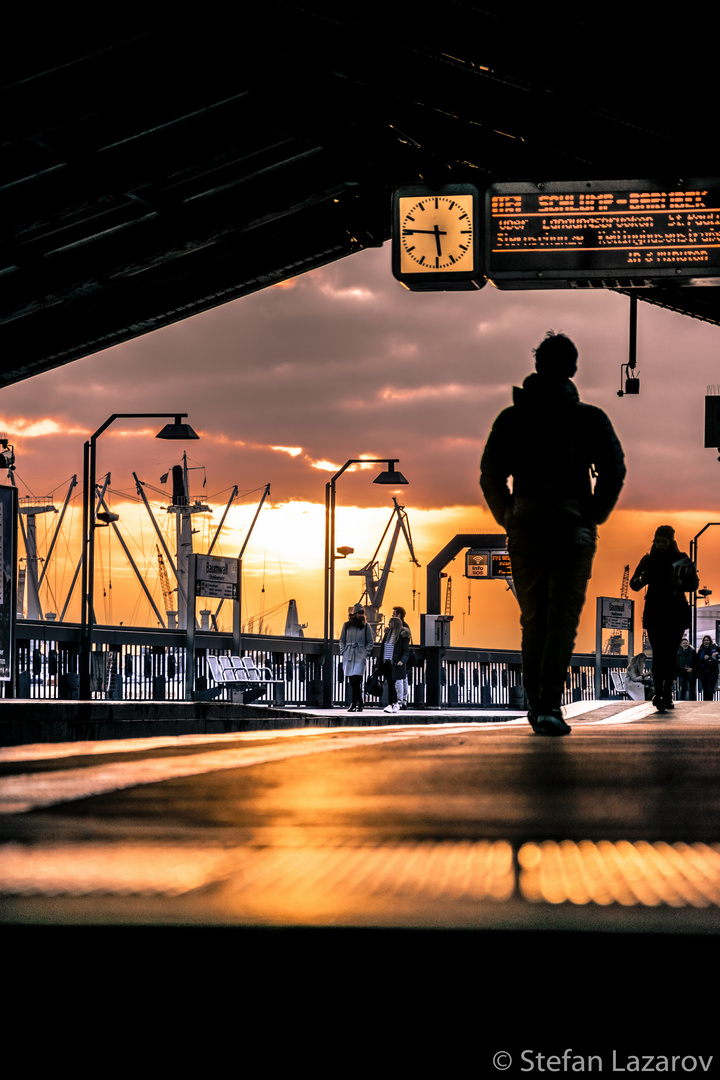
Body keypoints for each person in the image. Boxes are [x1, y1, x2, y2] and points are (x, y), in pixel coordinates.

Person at [480, 331, 626, 736]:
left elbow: (490, 474)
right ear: (573, 369)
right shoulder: (589, 419)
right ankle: (548, 705)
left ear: (537, 366)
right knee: (561, 620)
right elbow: (614, 470)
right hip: (572, 531)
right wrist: (593, 514)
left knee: (534, 620)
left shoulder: (512, 418)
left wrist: (508, 515)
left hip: (525, 529)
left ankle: (535, 703)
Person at [630, 526, 698, 712]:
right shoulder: (648, 560)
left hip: (674, 613)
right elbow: (633, 584)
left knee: (670, 654)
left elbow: (694, 584)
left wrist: (680, 583)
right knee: (660, 654)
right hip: (655, 613)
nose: (660, 545)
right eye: (657, 541)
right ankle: (660, 692)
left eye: (663, 541)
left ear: (670, 542)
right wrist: (643, 580)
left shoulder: (681, 559)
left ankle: (666, 692)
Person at [339, 603, 375, 713]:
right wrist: (343, 651)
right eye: (359, 613)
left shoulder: (366, 626)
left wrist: (365, 652)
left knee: (356, 680)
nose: (361, 615)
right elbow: (342, 640)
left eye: (362, 613)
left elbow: (370, 641)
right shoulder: (346, 625)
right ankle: (360, 702)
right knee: (352, 681)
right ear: (354, 614)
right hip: (349, 654)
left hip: (360, 655)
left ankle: (353, 703)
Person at [380, 616, 411, 714]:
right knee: (390, 683)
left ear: (395, 624)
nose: (389, 624)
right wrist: (380, 662)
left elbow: (406, 651)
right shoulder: (387, 634)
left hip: (395, 663)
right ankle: (396, 703)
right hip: (387, 662)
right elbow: (383, 648)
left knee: (391, 683)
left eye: (391, 622)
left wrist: (402, 661)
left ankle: (390, 704)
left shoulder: (402, 636)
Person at [392, 605, 412, 709]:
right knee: (404, 679)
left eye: (394, 614)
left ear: (398, 615)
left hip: (400, 657)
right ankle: (404, 701)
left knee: (399, 679)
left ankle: (400, 702)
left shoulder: (399, 628)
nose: (392, 615)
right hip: (404, 657)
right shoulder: (406, 626)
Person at [696, 635, 720, 701]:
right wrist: (704, 659)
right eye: (705, 640)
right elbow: (698, 662)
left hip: (713, 672)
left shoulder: (715, 648)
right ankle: (705, 704)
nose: (706, 641)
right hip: (703, 672)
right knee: (705, 690)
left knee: (710, 689)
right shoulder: (700, 650)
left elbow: (716, 661)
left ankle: (710, 703)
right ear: (703, 641)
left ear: (710, 641)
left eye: (707, 640)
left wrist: (711, 657)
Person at [677, 637, 698, 701]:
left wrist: (692, 669)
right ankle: (682, 701)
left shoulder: (692, 652)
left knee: (692, 689)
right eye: (684, 643)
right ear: (681, 644)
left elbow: (696, 662)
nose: (685, 644)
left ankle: (693, 702)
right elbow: (677, 664)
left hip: (691, 672)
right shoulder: (678, 653)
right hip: (682, 672)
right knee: (683, 688)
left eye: (686, 643)